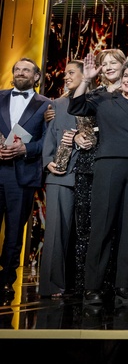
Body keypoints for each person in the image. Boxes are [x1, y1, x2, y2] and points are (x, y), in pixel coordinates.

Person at [68, 56, 128, 306]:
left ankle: (123, 287)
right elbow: (76, 107)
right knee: (102, 225)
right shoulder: (104, 99)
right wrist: (86, 80)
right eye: (126, 76)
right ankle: (92, 287)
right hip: (109, 165)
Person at [71, 48, 126, 297]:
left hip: (120, 164)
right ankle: (86, 283)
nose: (110, 66)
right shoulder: (94, 94)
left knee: (116, 226)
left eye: (115, 62)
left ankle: (113, 282)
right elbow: (76, 108)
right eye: (105, 63)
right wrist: (86, 79)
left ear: (124, 66)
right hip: (90, 164)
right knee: (88, 225)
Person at [0, 58, 50, 302]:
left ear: (36, 76)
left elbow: (48, 141)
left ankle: (6, 280)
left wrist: (25, 149)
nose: (20, 73)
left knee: (14, 232)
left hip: (22, 175)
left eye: (26, 70)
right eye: (17, 69)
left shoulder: (47, 105)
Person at [38, 60, 83, 299]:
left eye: (71, 73)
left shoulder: (97, 102)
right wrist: (48, 161)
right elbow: (49, 139)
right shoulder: (57, 104)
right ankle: (52, 284)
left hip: (89, 177)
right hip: (60, 176)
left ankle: (80, 284)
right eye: (65, 73)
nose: (66, 77)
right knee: (56, 232)